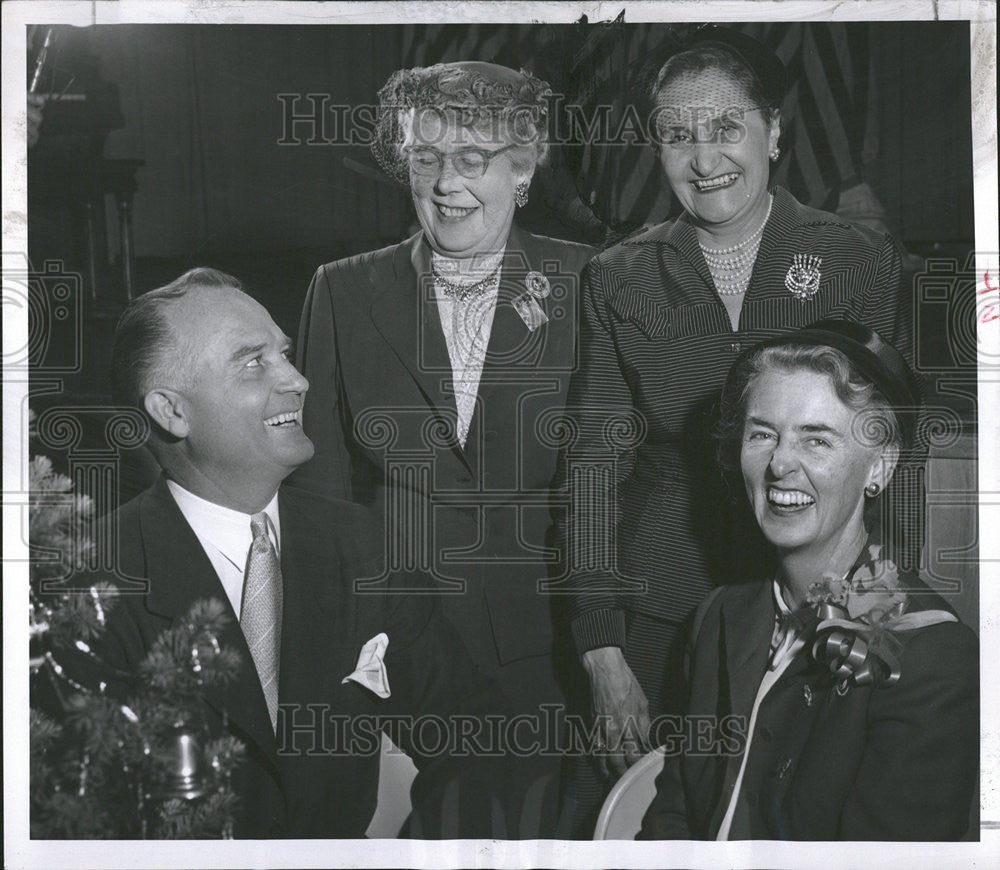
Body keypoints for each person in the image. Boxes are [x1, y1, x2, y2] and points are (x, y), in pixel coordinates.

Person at [559, 26, 913, 828]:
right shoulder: (619, 275)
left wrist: (878, 599)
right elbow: (589, 468)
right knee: (624, 819)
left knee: (797, 811)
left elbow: (885, 449)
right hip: (659, 613)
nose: (704, 157)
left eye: (726, 128)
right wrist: (601, 645)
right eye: (678, 135)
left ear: (774, 133)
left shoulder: (853, 258)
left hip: (815, 607)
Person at [80, 268, 511, 838]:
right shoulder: (93, 584)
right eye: (254, 362)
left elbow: (479, 734)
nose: (299, 380)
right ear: (172, 411)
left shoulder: (363, 545)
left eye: (284, 354)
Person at [292, 61, 596, 836]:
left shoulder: (588, 281)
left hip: (543, 641)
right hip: (394, 645)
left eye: (473, 160)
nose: (446, 183)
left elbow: (609, 482)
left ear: (523, 169)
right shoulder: (341, 288)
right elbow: (318, 488)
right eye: (426, 160)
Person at [639, 320, 977, 840]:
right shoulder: (717, 618)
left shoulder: (931, 654)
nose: (780, 464)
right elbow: (674, 818)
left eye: (815, 440)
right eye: (762, 434)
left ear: (879, 467)